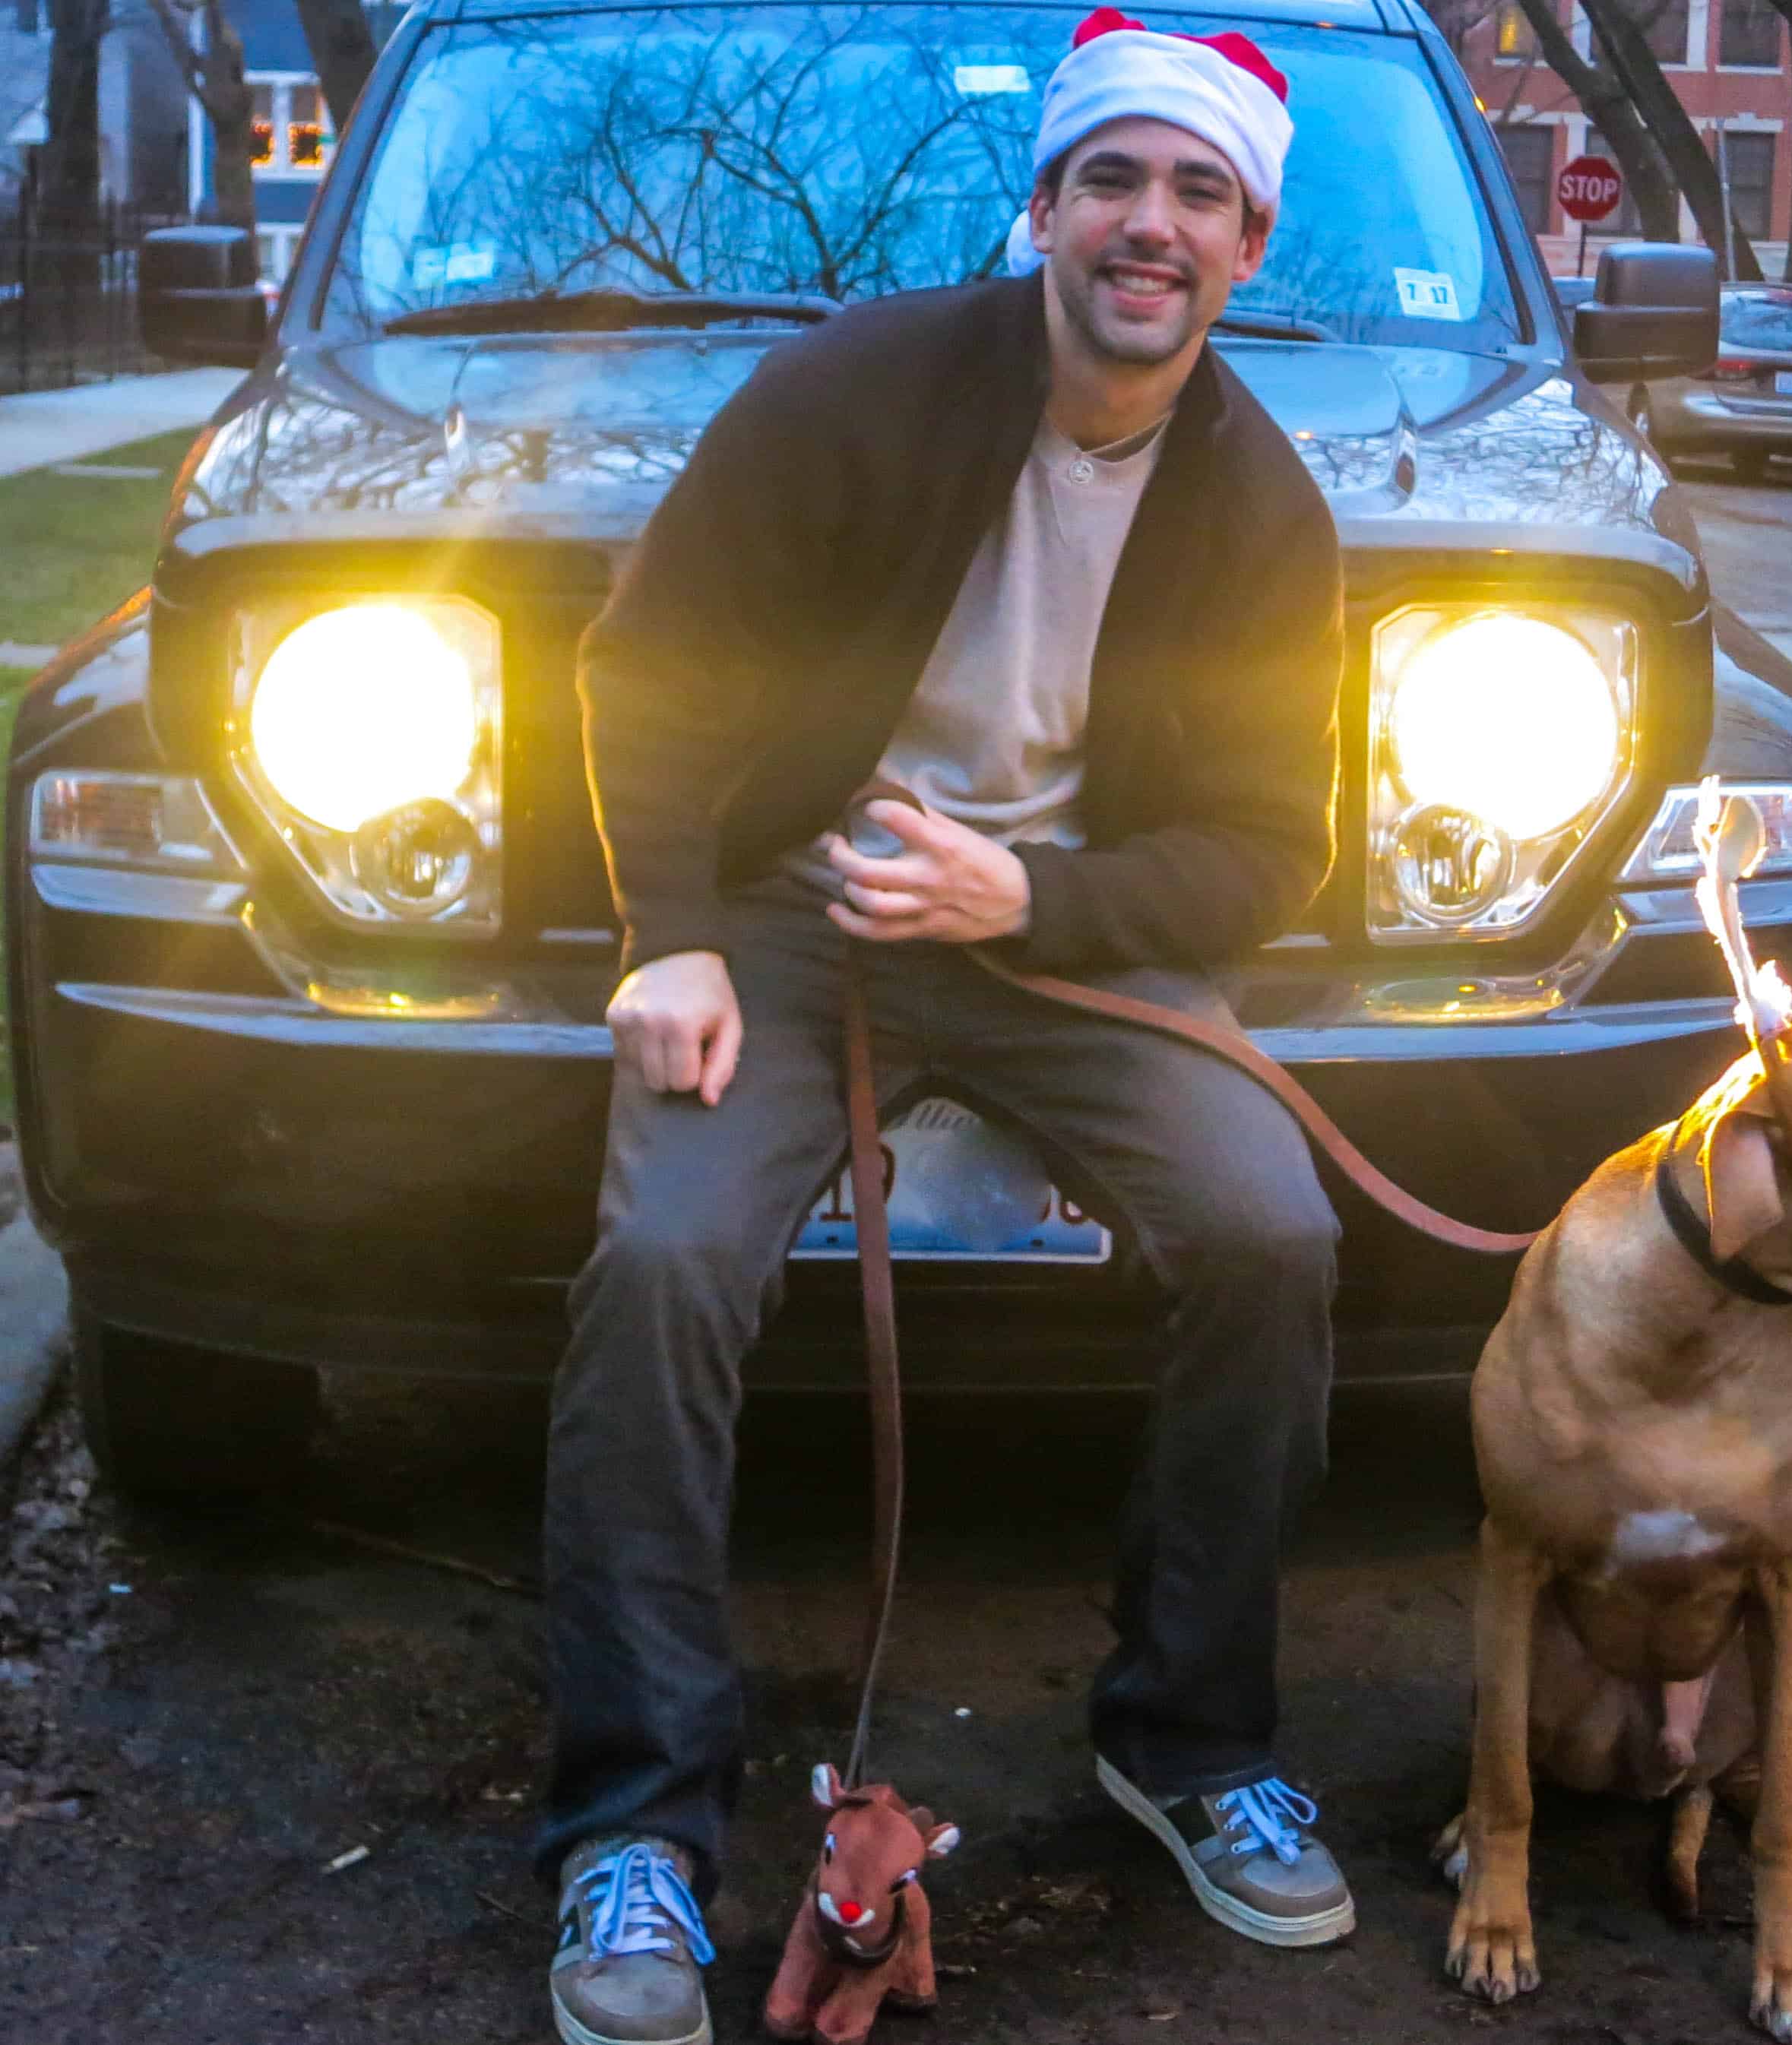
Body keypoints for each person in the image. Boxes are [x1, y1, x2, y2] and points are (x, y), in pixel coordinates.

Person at [541, 12, 1348, 2041]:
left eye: (1195, 191)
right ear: (1049, 206)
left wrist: (1037, 896)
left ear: (1246, 240)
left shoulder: (1264, 506)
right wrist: (672, 935)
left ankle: (1186, 1738)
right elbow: (647, 668)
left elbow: (1270, 846)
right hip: (795, 920)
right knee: (659, 1256)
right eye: (1112, 180)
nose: (1147, 225)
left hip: (1068, 944)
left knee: (1274, 1227)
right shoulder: (856, 390)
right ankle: (634, 1823)